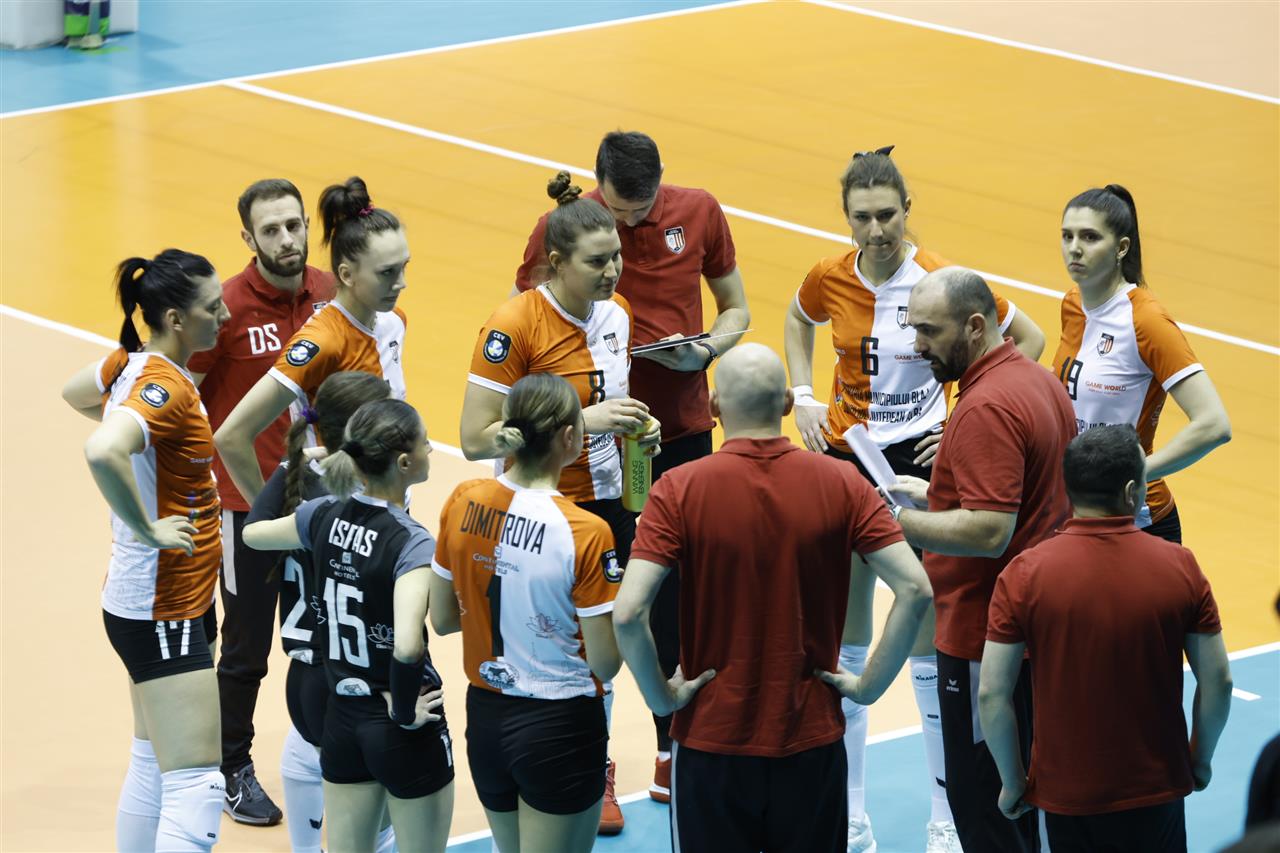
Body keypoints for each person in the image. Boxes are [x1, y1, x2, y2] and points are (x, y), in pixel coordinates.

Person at [783, 146, 1046, 853]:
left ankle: (943, 813)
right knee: (848, 637)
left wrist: (964, 417)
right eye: (861, 217)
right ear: (846, 217)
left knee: (931, 632)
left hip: (922, 463)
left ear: (907, 210)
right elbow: (797, 318)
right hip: (849, 460)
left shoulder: (939, 279)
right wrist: (803, 392)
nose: (876, 230)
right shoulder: (828, 276)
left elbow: (1026, 338)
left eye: (887, 215)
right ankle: (852, 813)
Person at [614, 343, 933, 853]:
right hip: (811, 739)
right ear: (787, 403)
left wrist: (661, 699)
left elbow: (629, 613)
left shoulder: (676, 489)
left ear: (714, 405)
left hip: (711, 743)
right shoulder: (843, 482)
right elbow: (915, 589)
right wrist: (868, 687)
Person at [513, 131, 750, 804]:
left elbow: (736, 309)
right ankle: (598, 760)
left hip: (672, 436)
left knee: (673, 597)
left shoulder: (699, 211)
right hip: (587, 452)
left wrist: (705, 351)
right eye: (619, 215)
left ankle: (674, 747)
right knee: (590, 603)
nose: (629, 228)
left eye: (642, 211)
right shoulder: (561, 229)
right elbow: (529, 326)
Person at [464, 173, 661, 834]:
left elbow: (615, 409)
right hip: (537, 515)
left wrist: (638, 430)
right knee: (550, 648)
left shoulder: (618, 313)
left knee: (602, 644)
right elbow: (476, 435)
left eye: (617, 257)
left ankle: (595, 764)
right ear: (556, 262)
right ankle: (537, 763)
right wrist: (579, 419)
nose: (613, 271)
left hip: (606, 509)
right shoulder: (514, 324)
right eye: (597, 261)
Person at [888, 267, 1077, 853]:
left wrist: (897, 521)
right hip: (1035, 628)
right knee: (1026, 802)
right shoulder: (1037, 381)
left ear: (975, 325)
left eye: (929, 330)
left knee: (985, 809)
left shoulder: (984, 406)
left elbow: (991, 529)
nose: (917, 345)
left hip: (981, 635)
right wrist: (937, 494)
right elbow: (1025, 495)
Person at [979, 425, 1233, 852]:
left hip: (1065, 794)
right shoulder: (1181, 566)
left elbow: (991, 693)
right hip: (1158, 787)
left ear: (1069, 489)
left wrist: (1012, 780)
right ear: (1133, 491)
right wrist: (1200, 759)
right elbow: (1219, 681)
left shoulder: (1023, 574)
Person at [61, 249, 231, 852]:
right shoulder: (165, 387)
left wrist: (137, 438)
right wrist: (149, 526)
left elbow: (74, 393)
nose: (225, 315)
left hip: (157, 599)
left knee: (153, 762)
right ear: (176, 319)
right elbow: (103, 449)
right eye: (213, 307)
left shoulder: (126, 366)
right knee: (197, 786)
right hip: (165, 604)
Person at [183, 177, 335, 825]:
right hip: (246, 507)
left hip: (321, 503)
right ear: (248, 238)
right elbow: (183, 397)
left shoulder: (330, 294)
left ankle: (327, 755)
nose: (286, 238)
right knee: (246, 646)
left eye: (294, 225)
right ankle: (230, 767)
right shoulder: (225, 310)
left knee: (325, 636)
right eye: (271, 229)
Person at [243, 399, 454, 851]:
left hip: (341, 718)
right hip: (398, 724)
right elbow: (407, 646)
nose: (431, 449)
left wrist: (289, 466)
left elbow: (252, 533)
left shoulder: (320, 514)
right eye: (425, 443)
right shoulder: (411, 541)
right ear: (403, 463)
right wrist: (404, 712)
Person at [432, 373, 623, 853]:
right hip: (561, 726)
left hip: (486, 720)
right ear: (570, 437)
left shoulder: (463, 500)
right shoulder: (586, 532)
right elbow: (605, 664)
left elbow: (444, 619)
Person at [244, 370, 392, 853]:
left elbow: (251, 531)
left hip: (304, 676)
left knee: (306, 755)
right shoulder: (367, 501)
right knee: (376, 830)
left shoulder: (297, 482)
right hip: (353, 679)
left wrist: (293, 466)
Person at [215, 176, 410, 506]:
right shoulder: (321, 340)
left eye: (403, 267)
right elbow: (231, 436)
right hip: (338, 515)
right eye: (387, 272)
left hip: (392, 507)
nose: (402, 283)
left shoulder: (394, 322)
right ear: (346, 275)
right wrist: (271, 516)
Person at [1054, 184, 1231, 543]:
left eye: (1090, 237)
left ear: (1121, 247)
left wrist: (1133, 472)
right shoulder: (1073, 304)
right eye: (1067, 235)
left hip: (1139, 523)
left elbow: (1214, 424)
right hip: (1077, 510)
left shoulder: (1146, 321)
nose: (1074, 247)